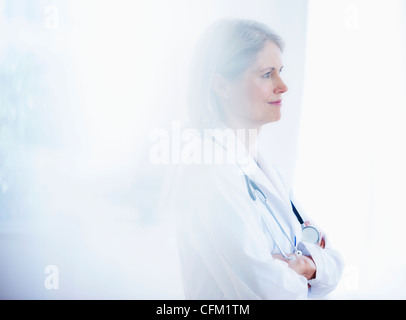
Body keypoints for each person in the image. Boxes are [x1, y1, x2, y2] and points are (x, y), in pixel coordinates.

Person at [168, 18, 344, 299]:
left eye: (281, 72)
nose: (283, 86)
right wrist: (310, 269)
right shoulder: (209, 170)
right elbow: (267, 292)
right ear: (222, 86)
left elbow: (334, 265)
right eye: (267, 74)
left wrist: (298, 269)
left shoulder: (262, 168)